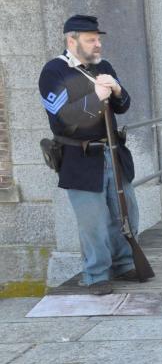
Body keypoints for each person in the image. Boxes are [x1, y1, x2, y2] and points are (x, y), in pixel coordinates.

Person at [38, 15, 141, 296]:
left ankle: (124, 263)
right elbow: (61, 119)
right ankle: (96, 275)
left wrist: (118, 91)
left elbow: (123, 106)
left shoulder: (103, 66)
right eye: (91, 40)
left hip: (114, 152)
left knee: (127, 211)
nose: (97, 44)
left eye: (98, 39)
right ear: (72, 41)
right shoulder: (54, 72)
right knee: (92, 220)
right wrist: (95, 97)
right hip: (80, 157)